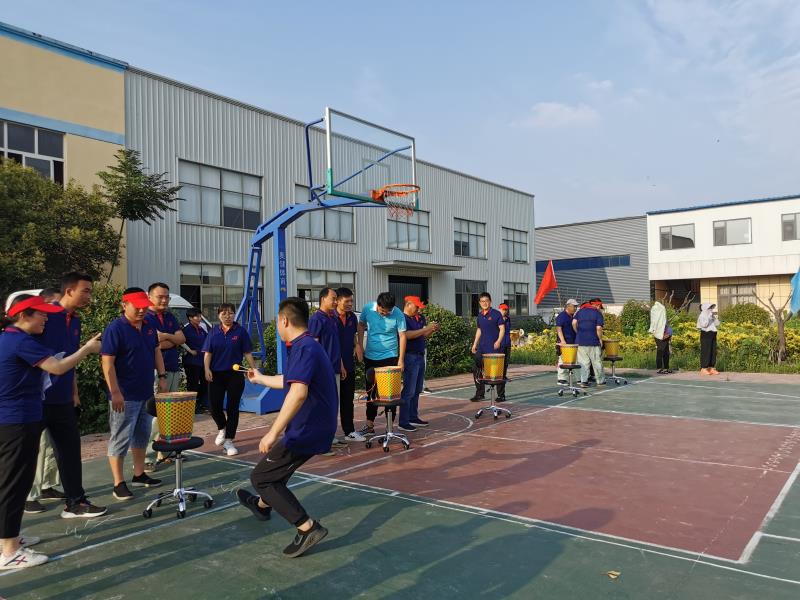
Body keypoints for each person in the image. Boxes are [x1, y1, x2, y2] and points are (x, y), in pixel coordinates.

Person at [0, 294, 100, 570]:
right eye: (40, 313)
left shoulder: (10, 338)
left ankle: (9, 538)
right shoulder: (21, 341)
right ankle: (9, 551)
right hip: (18, 421)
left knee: (14, 482)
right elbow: (57, 368)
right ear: (23, 315)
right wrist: (86, 349)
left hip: (17, 419)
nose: (46, 317)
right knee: (14, 484)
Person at [238, 297, 336, 558]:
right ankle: (261, 505)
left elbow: (298, 393)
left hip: (308, 428)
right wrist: (260, 379)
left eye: (277, 321)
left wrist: (272, 432)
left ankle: (308, 527)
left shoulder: (304, 348)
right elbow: (290, 381)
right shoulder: (306, 345)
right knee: (276, 472)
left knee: (261, 478)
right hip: (316, 425)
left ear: (284, 320)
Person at [33, 272, 107, 518]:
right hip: (35, 400)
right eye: (86, 291)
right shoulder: (44, 316)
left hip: (62, 399)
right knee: (24, 455)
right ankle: (26, 500)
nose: (89, 296)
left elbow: (70, 359)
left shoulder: (75, 321)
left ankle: (76, 502)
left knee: (69, 452)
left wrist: (74, 393)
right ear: (69, 291)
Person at [101, 288, 166, 501]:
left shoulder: (148, 326)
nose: (141, 310)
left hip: (146, 392)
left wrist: (162, 376)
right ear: (124, 305)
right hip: (124, 395)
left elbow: (156, 351)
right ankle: (118, 483)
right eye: (136, 306)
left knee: (142, 435)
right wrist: (115, 392)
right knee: (120, 437)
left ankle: (139, 474)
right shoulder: (115, 328)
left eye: (144, 306)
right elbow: (107, 363)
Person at [24, 287, 63, 515]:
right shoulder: (26, 338)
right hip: (35, 402)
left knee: (50, 445)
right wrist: (87, 350)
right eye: (50, 308)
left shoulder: (54, 330)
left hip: (54, 396)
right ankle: (30, 495)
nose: (50, 315)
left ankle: (48, 484)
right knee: (37, 447)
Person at [202, 303, 256, 457]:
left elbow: (247, 352)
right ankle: (222, 428)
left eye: (231, 313)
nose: (227, 316)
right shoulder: (213, 332)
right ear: (219, 315)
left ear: (234, 314)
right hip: (216, 375)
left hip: (234, 375)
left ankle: (229, 441)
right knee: (214, 407)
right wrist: (207, 369)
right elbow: (208, 353)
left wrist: (253, 369)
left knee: (233, 408)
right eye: (224, 313)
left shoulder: (240, 332)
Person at [144, 283, 186, 469]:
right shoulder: (145, 317)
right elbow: (155, 345)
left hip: (173, 369)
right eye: (160, 296)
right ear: (149, 297)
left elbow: (181, 339)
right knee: (154, 416)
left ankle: (165, 452)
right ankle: (148, 457)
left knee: (169, 414)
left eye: (166, 297)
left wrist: (166, 336)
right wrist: (171, 340)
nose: (164, 300)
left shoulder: (169, 316)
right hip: (156, 372)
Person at [356, 292, 407, 435]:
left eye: (388, 311)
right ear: (377, 305)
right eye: (382, 311)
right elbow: (361, 325)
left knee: (390, 394)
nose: (385, 314)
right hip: (371, 357)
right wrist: (359, 345)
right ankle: (369, 425)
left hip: (390, 358)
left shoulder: (398, 314)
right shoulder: (368, 309)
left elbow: (402, 336)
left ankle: (389, 427)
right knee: (371, 392)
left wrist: (401, 360)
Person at [307, 288, 346, 450]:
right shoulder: (316, 319)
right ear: (323, 299)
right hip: (323, 370)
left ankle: (329, 436)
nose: (336, 302)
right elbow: (313, 346)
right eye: (333, 298)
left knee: (333, 404)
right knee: (323, 405)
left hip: (335, 368)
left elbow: (335, 344)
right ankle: (320, 439)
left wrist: (341, 364)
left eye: (336, 299)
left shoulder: (332, 318)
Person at [399, 296, 439, 431]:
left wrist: (431, 330)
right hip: (409, 356)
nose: (418, 310)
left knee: (417, 389)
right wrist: (425, 329)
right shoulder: (402, 318)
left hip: (420, 355)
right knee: (409, 390)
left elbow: (422, 335)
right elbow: (407, 335)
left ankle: (412, 416)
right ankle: (403, 421)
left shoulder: (419, 317)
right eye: (416, 307)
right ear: (408, 305)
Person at [335, 287, 364, 442]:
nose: (350, 304)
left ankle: (349, 431)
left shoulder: (352, 317)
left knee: (347, 400)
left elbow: (353, 335)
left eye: (351, 301)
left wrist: (357, 345)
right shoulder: (330, 317)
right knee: (332, 402)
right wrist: (340, 364)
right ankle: (329, 434)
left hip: (349, 364)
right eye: (347, 301)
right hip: (334, 366)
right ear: (338, 301)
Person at [469, 293, 505, 402]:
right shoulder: (480, 315)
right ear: (480, 303)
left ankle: (501, 395)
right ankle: (480, 394)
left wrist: (498, 341)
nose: (485, 303)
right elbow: (479, 329)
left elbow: (502, 329)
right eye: (482, 301)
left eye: (486, 301)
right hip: (482, 347)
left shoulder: (496, 314)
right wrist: (475, 343)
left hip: (494, 348)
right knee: (476, 368)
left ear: (490, 301)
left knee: (497, 372)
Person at [573, 298, 606, 387]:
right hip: (593, 342)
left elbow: (574, 323)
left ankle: (584, 381)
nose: (600, 308)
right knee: (596, 362)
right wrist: (600, 339)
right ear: (597, 305)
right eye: (600, 307)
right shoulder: (597, 313)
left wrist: (577, 332)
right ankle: (600, 381)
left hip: (580, 341)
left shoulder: (580, 312)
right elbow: (599, 328)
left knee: (583, 363)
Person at [181, 308, 208, 413]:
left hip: (202, 361)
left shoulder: (201, 329)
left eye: (200, 316)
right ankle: (192, 407)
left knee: (205, 383)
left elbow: (208, 340)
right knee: (193, 384)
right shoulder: (186, 330)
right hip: (192, 362)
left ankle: (202, 404)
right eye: (197, 316)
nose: (199, 318)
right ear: (190, 318)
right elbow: (181, 341)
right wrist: (190, 350)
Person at [555, 299, 580, 384]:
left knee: (576, 360)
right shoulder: (561, 316)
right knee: (563, 360)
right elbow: (559, 329)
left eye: (576, 306)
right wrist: (562, 341)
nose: (575, 308)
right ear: (568, 306)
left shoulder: (572, 316)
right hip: (564, 343)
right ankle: (561, 379)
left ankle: (579, 379)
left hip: (573, 342)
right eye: (574, 306)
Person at [649, 300, 672, 374]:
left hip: (661, 333)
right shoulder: (659, 309)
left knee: (665, 352)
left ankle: (665, 368)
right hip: (660, 334)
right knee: (661, 351)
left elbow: (663, 322)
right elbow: (658, 323)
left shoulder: (656, 310)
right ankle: (660, 368)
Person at [697, 303, 720, 375]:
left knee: (713, 351)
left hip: (713, 334)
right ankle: (704, 368)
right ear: (705, 309)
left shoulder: (711, 315)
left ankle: (711, 367)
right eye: (709, 308)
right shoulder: (702, 316)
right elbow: (704, 325)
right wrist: (709, 317)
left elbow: (717, 324)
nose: (711, 310)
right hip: (706, 334)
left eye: (711, 308)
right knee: (706, 351)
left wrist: (714, 318)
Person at [497, 303, 512, 401]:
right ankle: (499, 394)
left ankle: (502, 395)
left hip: (507, 346)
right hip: (499, 347)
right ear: (499, 309)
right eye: (503, 309)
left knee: (504, 370)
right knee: (499, 370)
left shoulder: (508, 319)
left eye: (506, 309)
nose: (504, 311)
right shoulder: (496, 320)